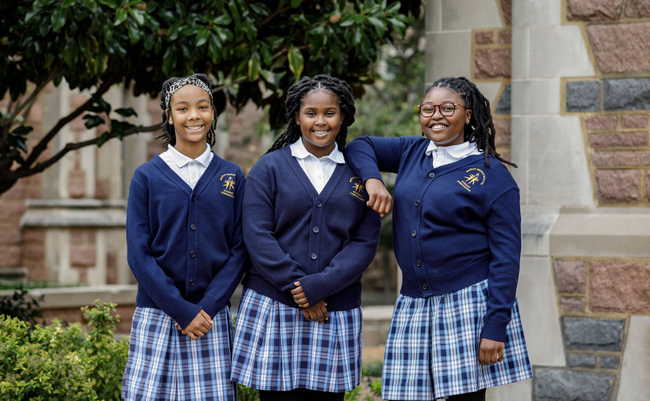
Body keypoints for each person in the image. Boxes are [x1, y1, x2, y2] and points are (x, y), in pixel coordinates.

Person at [345, 76, 533, 401]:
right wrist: (374, 181)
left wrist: (495, 326)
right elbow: (359, 145)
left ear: (468, 114)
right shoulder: (412, 151)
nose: (436, 116)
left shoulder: (493, 177)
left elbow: (506, 258)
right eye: (428, 108)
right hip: (414, 302)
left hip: (467, 303)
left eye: (448, 108)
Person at [230, 75, 381, 401]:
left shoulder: (361, 175)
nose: (320, 121)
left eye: (330, 112)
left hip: (334, 307)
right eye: (311, 113)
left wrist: (320, 287)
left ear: (343, 116)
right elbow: (257, 235)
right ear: (296, 117)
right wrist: (301, 289)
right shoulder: (268, 168)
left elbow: (364, 243)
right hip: (275, 305)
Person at [122, 73, 247, 401]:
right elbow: (138, 252)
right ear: (169, 115)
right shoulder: (146, 177)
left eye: (203, 107)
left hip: (210, 317)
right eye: (183, 108)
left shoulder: (232, 176)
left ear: (213, 112)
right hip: (158, 313)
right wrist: (179, 309)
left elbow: (239, 250)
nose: (194, 116)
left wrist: (205, 307)